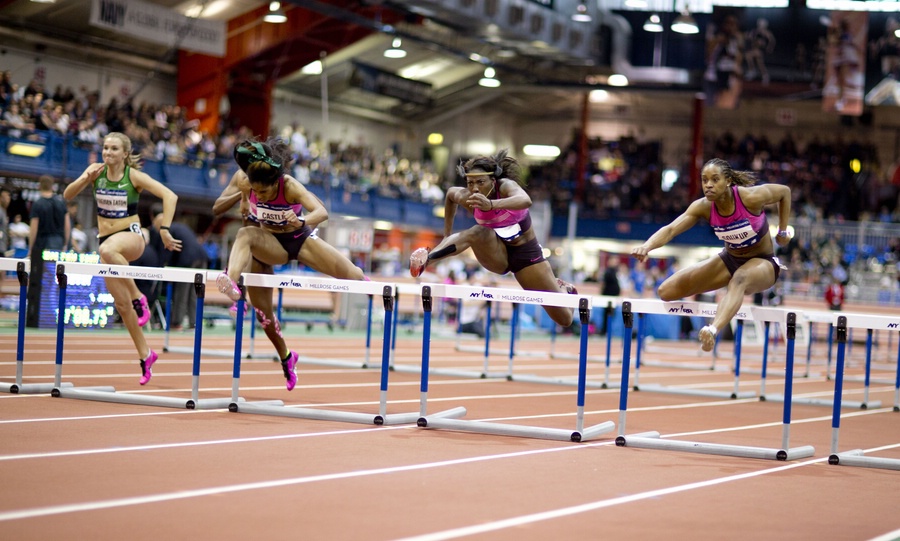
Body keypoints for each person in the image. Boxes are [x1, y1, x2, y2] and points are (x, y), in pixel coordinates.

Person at [215, 137, 367, 391]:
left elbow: (322, 213)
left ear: (275, 182)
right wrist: (242, 200)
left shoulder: (289, 185)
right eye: (256, 192)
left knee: (354, 275)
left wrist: (302, 220)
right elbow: (221, 206)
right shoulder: (245, 181)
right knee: (264, 314)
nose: (260, 197)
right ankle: (284, 353)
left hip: (299, 239)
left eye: (264, 192)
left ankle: (383, 298)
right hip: (268, 246)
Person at [631, 158, 791, 352]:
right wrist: (647, 246)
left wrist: (782, 232)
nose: (708, 185)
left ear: (728, 181)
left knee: (740, 278)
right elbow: (671, 229)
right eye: (704, 180)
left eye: (715, 180)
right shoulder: (703, 207)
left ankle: (712, 330)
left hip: (763, 263)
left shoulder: (749, 197)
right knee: (666, 291)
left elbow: (784, 192)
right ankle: (733, 290)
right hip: (730, 260)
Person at [409, 149, 576, 328]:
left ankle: (566, 290)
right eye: (470, 182)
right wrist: (447, 235)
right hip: (498, 253)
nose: (474, 188)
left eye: (480, 182)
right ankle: (427, 260)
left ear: (493, 181)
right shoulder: (468, 196)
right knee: (478, 232)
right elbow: (450, 195)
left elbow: (525, 200)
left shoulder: (505, 187)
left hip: (527, 257)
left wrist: (491, 205)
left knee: (564, 319)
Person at [64, 132, 181, 385]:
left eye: (114, 149)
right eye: (105, 148)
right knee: (121, 305)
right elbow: (67, 195)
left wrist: (164, 229)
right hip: (108, 243)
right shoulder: (95, 171)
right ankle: (145, 355)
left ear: (125, 154)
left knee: (106, 252)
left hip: (132, 237)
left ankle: (139, 297)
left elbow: (170, 196)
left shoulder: (133, 176)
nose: (108, 153)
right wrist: (86, 178)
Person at [150, 203, 208, 330]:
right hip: (202, 257)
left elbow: (168, 252)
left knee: (181, 292)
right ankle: (194, 323)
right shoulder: (180, 226)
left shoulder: (167, 231)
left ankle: (176, 323)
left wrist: (165, 269)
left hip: (188, 260)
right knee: (194, 293)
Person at [25, 175, 70, 327]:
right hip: (57, 243)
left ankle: (38, 313)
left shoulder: (38, 204)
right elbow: (67, 224)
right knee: (57, 280)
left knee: (40, 280)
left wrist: (31, 249)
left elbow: (34, 227)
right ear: (53, 186)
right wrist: (65, 243)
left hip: (42, 244)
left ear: (39, 186)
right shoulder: (60, 203)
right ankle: (55, 313)